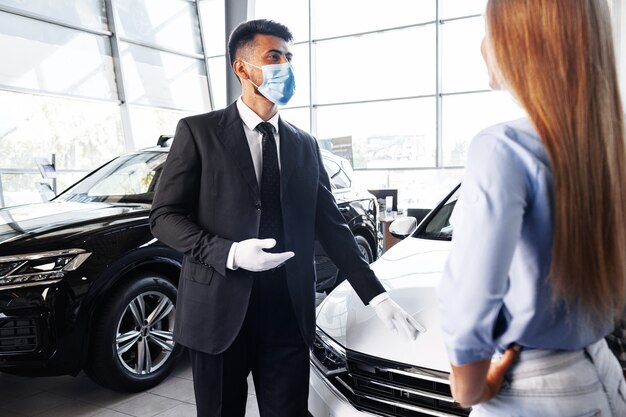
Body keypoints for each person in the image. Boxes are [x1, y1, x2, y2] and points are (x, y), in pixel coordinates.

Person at [150, 19, 422, 417]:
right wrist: (231, 253)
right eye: (273, 57)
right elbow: (163, 216)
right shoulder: (199, 132)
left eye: (289, 58)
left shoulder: (304, 145)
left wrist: (376, 295)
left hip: (287, 312)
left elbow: (333, 229)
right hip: (220, 309)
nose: (286, 67)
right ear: (242, 68)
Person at [437, 0, 626, 415]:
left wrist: (469, 386)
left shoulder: (502, 147)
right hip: (602, 377)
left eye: (489, 29)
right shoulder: (611, 148)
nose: (483, 44)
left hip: (533, 389)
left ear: (523, 42)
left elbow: (472, 299)